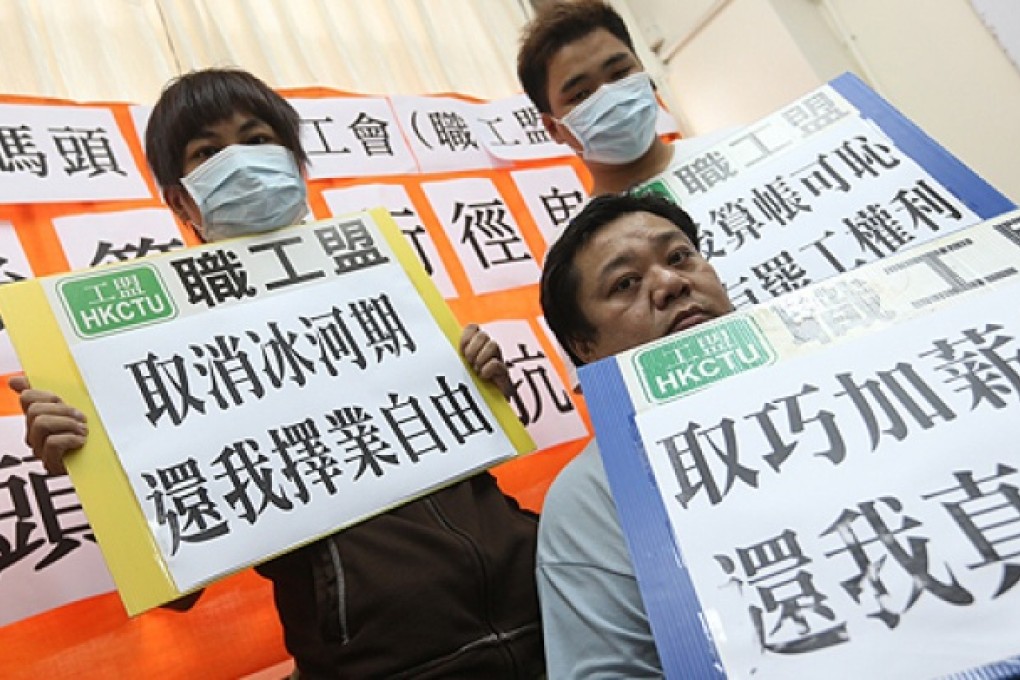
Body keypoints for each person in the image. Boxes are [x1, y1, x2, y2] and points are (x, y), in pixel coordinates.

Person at [11, 67, 544, 679]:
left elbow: (471, 465)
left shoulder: (388, 290)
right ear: (183, 200)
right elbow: (177, 592)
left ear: (296, 162)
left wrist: (484, 383)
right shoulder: (167, 357)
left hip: (543, 618)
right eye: (207, 152)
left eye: (258, 138)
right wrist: (93, 467)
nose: (239, 160)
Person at [535, 192, 734, 677]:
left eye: (680, 256)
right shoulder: (591, 498)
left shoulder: (847, 383)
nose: (670, 282)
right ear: (584, 346)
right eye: (626, 282)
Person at [517, 0, 729, 198]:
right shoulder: (585, 237)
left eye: (619, 73)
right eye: (581, 94)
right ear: (553, 128)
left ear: (643, 71)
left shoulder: (734, 153)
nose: (611, 97)